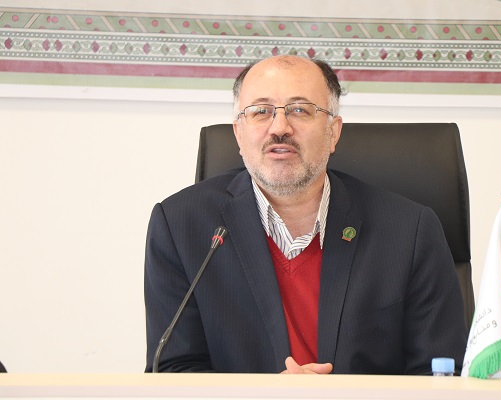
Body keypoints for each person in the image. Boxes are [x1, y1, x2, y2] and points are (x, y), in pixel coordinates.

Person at [144, 55, 467, 374]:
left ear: (333, 132)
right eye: (261, 111)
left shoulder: (408, 232)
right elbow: (172, 371)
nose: (279, 128)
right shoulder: (180, 226)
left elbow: (441, 374)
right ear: (239, 134)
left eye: (300, 110)